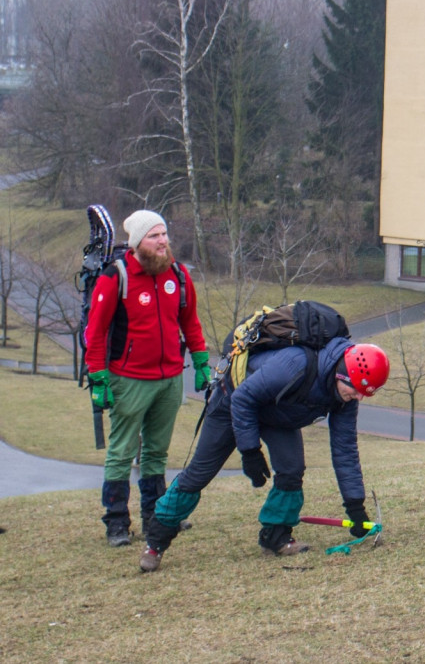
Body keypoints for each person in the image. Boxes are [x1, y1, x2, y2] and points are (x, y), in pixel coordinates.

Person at [138, 340, 390, 571]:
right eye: (356, 389)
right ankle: (155, 542)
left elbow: (344, 449)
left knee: (292, 469)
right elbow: (243, 399)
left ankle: (276, 536)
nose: (358, 397)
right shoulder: (294, 364)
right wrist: (249, 450)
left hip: (277, 413)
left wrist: (355, 506)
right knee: (198, 475)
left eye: (365, 393)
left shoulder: (346, 397)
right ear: (341, 373)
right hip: (232, 401)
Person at [85, 209, 209, 547]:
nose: (163, 241)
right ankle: (116, 522)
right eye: (155, 236)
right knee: (122, 452)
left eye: (164, 234)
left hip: (169, 378)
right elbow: (94, 333)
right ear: (139, 242)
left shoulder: (178, 275)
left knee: (157, 452)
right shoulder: (117, 276)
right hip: (128, 379)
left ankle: (156, 515)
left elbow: (190, 323)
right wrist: (98, 378)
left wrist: (200, 362)